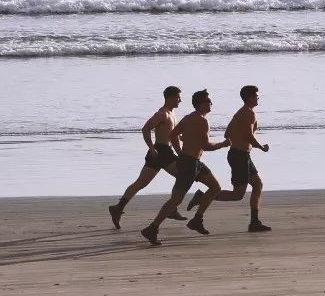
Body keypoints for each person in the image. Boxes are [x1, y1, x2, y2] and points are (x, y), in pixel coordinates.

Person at [140, 89, 229, 246]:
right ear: (201, 104)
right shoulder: (203, 121)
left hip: (193, 162)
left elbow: (173, 135)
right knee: (176, 199)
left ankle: (197, 220)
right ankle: (152, 228)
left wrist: (180, 153)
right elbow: (206, 146)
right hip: (190, 164)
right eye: (208, 101)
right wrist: (223, 144)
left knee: (215, 187)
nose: (211, 104)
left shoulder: (188, 118)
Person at [189, 84, 270, 231]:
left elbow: (228, 133)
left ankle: (254, 222)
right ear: (250, 97)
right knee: (237, 194)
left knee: (257, 184)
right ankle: (202, 198)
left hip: (242, 155)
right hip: (239, 156)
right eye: (256, 95)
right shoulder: (248, 113)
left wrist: (242, 139)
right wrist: (261, 147)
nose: (258, 97)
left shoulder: (242, 113)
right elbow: (248, 135)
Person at [109, 86, 191, 228]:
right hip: (161, 151)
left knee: (141, 183)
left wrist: (181, 144)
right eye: (178, 97)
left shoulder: (172, 113)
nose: (180, 100)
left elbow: (170, 135)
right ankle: (172, 209)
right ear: (170, 98)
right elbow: (146, 128)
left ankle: (118, 208)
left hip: (163, 152)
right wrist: (151, 147)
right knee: (183, 175)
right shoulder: (162, 114)